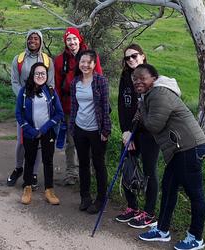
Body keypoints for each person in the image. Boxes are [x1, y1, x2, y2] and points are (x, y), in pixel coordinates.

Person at [131, 64, 205, 250]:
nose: (138, 81)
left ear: (154, 79)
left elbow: (153, 125)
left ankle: (196, 238)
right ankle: (162, 230)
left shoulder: (159, 94)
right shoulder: (150, 95)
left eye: (143, 78)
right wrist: (142, 104)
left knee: (195, 194)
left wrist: (141, 108)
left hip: (189, 147)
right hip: (178, 149)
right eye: (135, 79)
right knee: (169, 188)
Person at [115, 44, 160, 229]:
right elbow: (121, 106)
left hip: (148, 132)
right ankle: (132, 207)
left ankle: (149, 213)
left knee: (150, 172)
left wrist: (138, 129)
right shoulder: (125, 78)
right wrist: (126, 132)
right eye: (127, 58)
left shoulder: (151, 77)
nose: (131, 60)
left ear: (143, 56)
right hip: (129, 133)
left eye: (134, 56)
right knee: (127, 166)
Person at [54, 27, 103, 185]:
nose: (72, 42)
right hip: (69, 106)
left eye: (74, 38)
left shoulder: (91, 56)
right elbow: (56, 85)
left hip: (90, 106)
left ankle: (92, 172)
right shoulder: (60, 60)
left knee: (92, 139)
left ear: (79, 39)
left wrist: (101, 104)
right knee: (71, 141)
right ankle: (71, 174)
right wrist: (58, 108)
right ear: (65, 42)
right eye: (68, 39)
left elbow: (100, 77)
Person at [7, 29, 55, 189]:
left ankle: (33, 173)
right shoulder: (18, 59)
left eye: (36, 38)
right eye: (30, 38)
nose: (33, 41)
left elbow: (51, 84)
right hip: (24, 107)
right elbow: (14, 81)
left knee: (39, 141)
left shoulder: (47, 61)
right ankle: (18, 168)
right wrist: (23, 98)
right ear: (26, 40)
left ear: (41, 42)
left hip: (42, 108)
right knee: (22, 140)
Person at [69, 50, 111, 214]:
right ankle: (85, 197)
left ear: (94, 64)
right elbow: (74, 107)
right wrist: (72, 127)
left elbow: (105, 107)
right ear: (78, 64)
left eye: (89, 62)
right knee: (83, 164)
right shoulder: (75, 82)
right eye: (82, 62)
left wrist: (105, 130)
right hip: (80, 128)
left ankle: (101, 199)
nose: (85, 65)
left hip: (97, 130)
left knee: (99, 164)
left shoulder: (100, 81)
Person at [16, 62, 64, 205]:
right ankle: (27, 187)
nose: (40, 76)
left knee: (48, 161)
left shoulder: (50, 91)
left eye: (43, 73)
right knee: (29, 160)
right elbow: (19, 113)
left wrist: (44, 129)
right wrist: (30, 130)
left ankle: (49, 190)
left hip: (47, 132)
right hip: (30, 132)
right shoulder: (24, 92)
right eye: (37, 73)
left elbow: (59, 113)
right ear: (32, 74)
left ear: (47, 75)